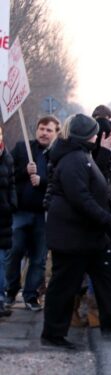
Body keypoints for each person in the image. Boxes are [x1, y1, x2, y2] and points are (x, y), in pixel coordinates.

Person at [42, 114, 111, 349]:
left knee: (107, 279)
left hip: (91, 236)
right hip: (73, 236)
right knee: (64, 286)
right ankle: (53, 334)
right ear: (85, 135)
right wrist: (107, 218)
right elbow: (80, 198)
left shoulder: (82, 155)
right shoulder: (73, 159)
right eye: (94, 132)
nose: (97, 136)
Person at [5, 116, 59, 311]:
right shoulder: (22, 148)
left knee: (39, 258)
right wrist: (23, 171)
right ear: (36, 130)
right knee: (14, 251)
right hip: (20, 211)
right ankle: (10, 291)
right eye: (42, 129)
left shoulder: (57, 154)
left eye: (49, 130)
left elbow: (60, 181)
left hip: (44, 215)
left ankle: (31, 295)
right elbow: (6, 173)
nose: (44, 133)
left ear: (56, 133)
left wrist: (42, 180)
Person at [0, 126, 15, 318]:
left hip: (2, 218)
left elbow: (11, 183)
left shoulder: (7, 157)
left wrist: (12, 203)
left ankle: (1, 299)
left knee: (1, 260)